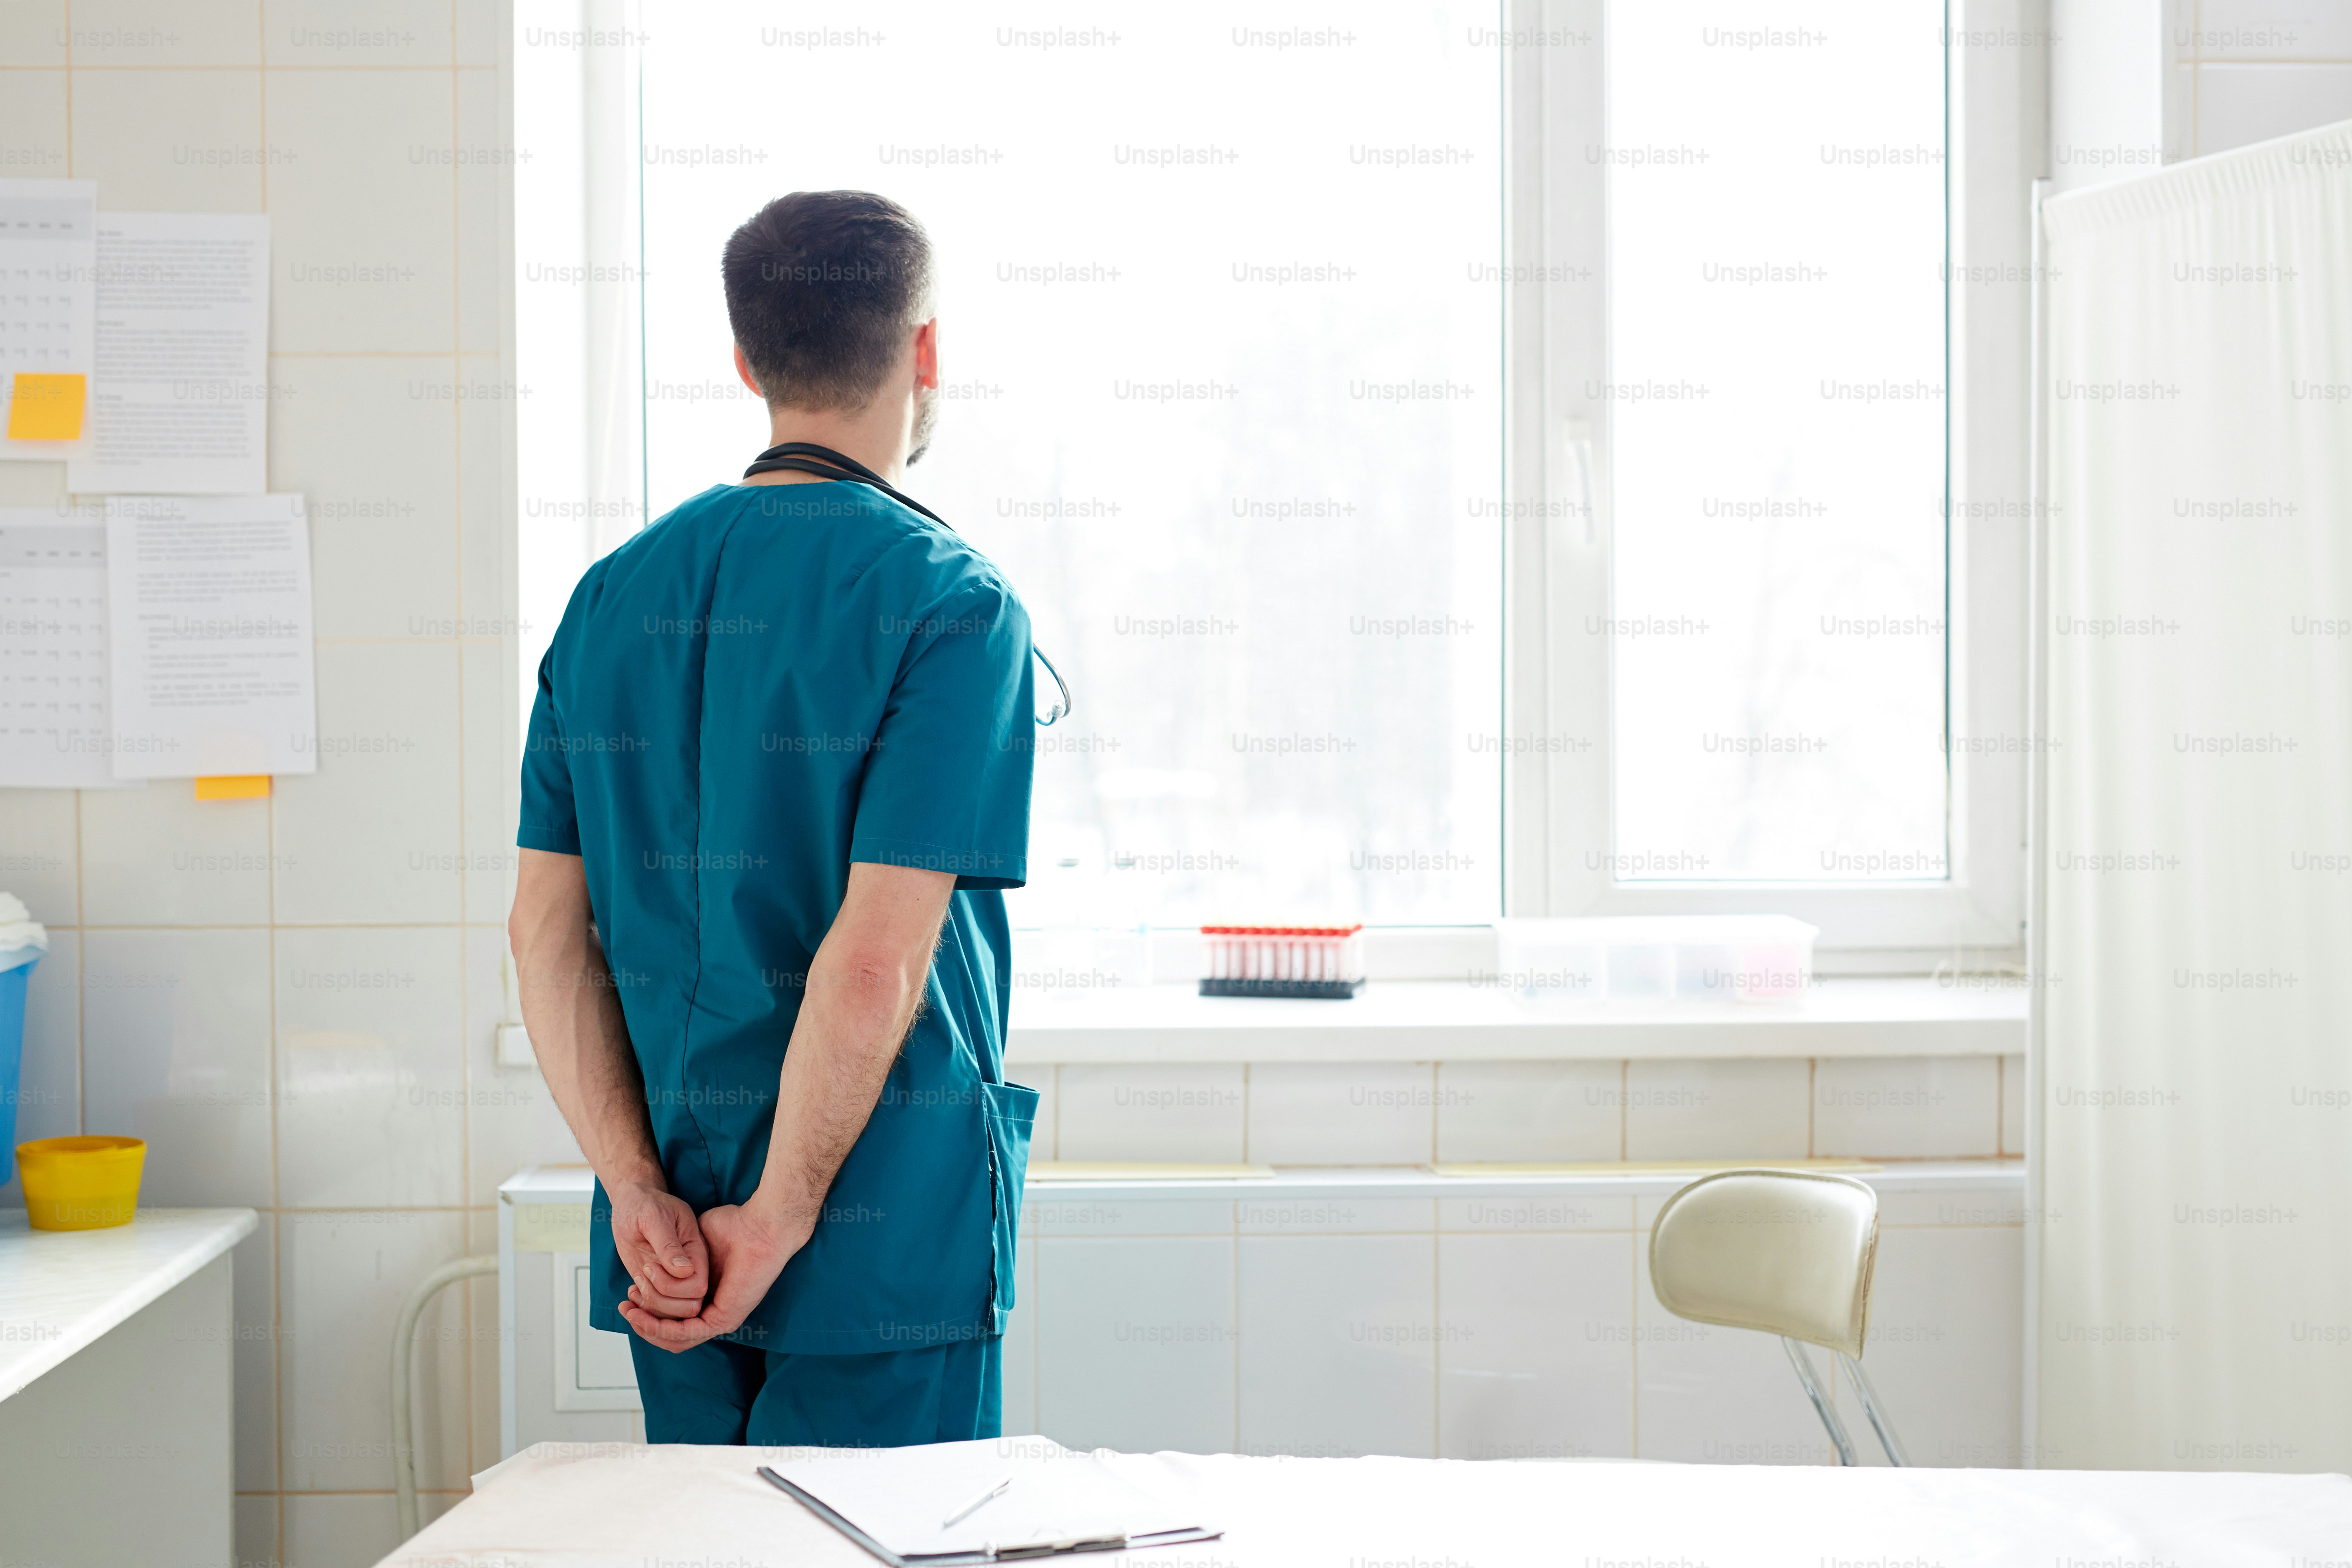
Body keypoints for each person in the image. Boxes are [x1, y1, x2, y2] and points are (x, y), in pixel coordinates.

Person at [507, 190, 1038, 1447]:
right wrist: (788, 1218)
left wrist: (637, 1189)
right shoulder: (951, 604)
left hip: (674, 1243)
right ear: (924, 353)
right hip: (877, 1243)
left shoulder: (610, 596)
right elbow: (873, 961)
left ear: (746, 361)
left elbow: (543, 937)